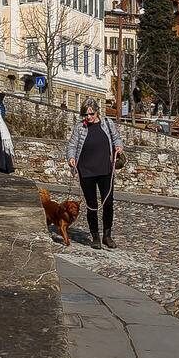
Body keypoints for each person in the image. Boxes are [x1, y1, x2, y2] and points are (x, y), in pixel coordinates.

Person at [66, 100, 124, 248]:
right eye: (86, 114)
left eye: (91, 113)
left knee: (108, 203)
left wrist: (118, 146)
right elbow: (72, 145)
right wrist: (71, 158)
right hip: (86, 171)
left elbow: (116, 138)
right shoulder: (79, 128)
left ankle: (107, 235)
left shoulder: (107, 123)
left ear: (97, 112)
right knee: (92, 205)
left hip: (105, 169)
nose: (89, 117)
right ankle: (95, 237)